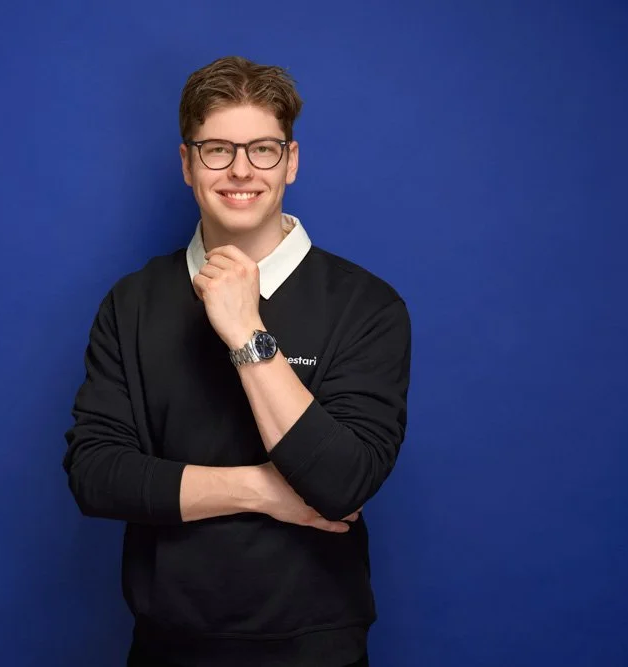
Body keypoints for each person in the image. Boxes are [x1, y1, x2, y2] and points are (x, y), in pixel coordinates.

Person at [63, 55, 411, 667]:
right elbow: (95, 474)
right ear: (187, 164)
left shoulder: (367, 305)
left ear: (292, 162)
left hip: (316, 648)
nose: (242, 171)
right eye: (217, 149)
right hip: (166, 646)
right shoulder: (132, 302)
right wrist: (262, 491)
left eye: (264, 150)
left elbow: (343, 483)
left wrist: (246, 329)